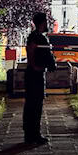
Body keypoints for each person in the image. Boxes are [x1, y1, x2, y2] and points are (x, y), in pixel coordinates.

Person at [24, 11, 56, 144]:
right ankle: (32, 135)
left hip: (37, 73)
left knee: (35, 105)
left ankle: (32, 134)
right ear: (42, 23)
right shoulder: (35, 37)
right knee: (34, 105)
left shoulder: (39, 37)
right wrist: (34, 66)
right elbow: (30, 51)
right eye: (46, 21)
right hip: (34, 75)